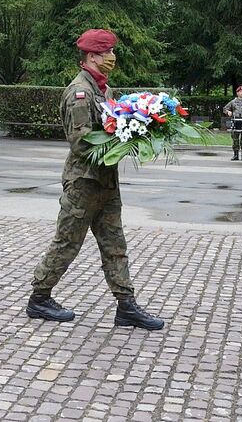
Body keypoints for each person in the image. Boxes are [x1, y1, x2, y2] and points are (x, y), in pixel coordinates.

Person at [27, 29, 164, 331]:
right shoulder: (80, 93)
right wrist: (121, 140)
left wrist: (135, 132)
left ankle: (126, 306)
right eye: (108, 53)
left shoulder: (104, 90)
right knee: (67, 242)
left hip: (105, 181)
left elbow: (111, 125)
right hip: (83, 183)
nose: (112, 57)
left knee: (115, 244)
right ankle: (39, 297)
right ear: (92, 56)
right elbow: (81, 142)